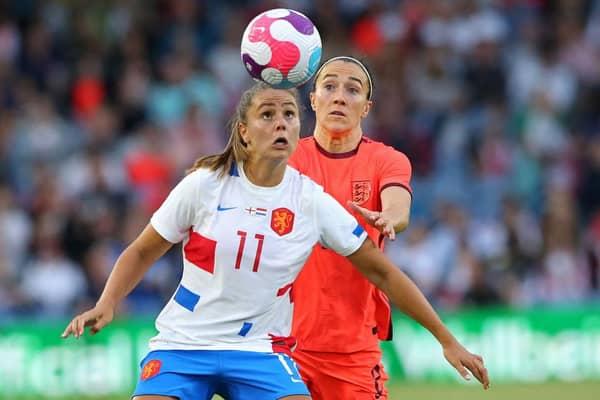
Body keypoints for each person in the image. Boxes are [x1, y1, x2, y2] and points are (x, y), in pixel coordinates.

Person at [62, 82, 489, 400]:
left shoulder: (310, 201)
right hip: (184, 344)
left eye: (289, 115)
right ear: (244, 131)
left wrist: (446, 338)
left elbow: (383, 271)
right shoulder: (203, 186)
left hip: (259, 350)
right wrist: (107, 302)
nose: (281, 123)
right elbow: (142, 250)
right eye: (268, 115)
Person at [288, 56, 414, 399]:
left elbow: (398, 207)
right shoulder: (284, 161)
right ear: (313, 100)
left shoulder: (386, 160)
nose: (340, 96)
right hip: (282, 347)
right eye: (329, 86)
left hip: (354, 350)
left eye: (352, 90)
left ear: (366, 108)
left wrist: (390, 218)